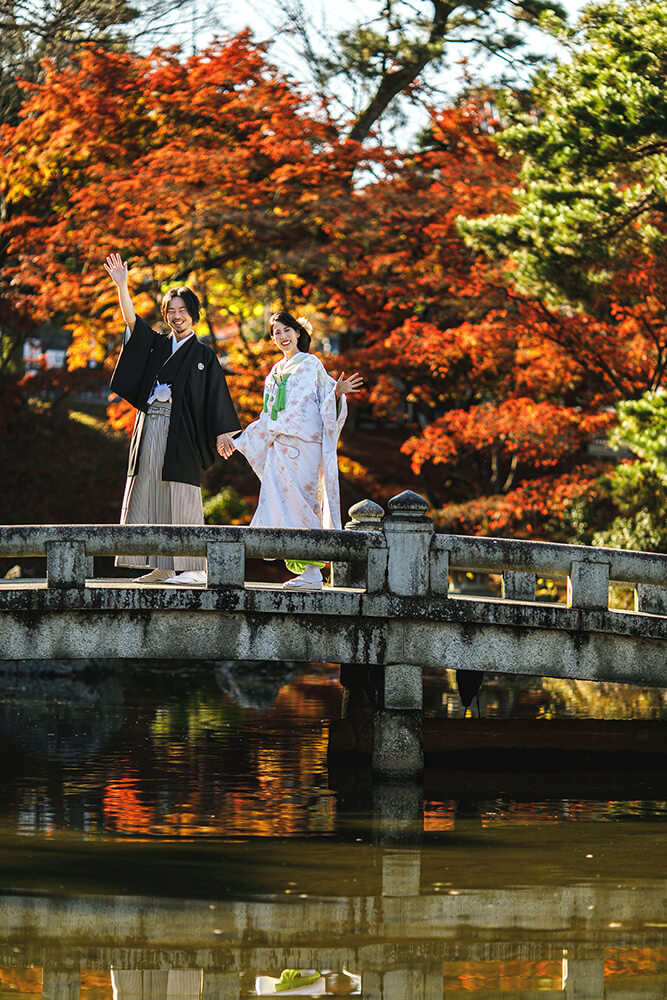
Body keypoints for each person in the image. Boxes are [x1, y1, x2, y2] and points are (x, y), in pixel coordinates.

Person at [105, 252, 241, 585]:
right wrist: (122, 285)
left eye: (182, 311)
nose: (176, 316)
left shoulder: (204, 355)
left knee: (181, 493)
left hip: (183, 433)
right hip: (151, 424)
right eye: (171, 311)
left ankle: (193, 566)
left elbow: (215, 398)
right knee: (148, 487)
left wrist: (224, 434)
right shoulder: (156, 344)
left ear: (193, 314)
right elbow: (131, 322)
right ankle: (162, 566)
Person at [229, 312, 363, 591]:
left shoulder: (311, 364)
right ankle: (307, 571)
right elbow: (267, 417)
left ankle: (313, 570)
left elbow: (326, 402)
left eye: (286, 330)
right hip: (280, 449)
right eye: (276, 332)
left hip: (304, 446)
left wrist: (337, 394)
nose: (282, 336)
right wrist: (239, 440)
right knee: (285, 506)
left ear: (299, 333)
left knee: (305, 504)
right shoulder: (274, 372)